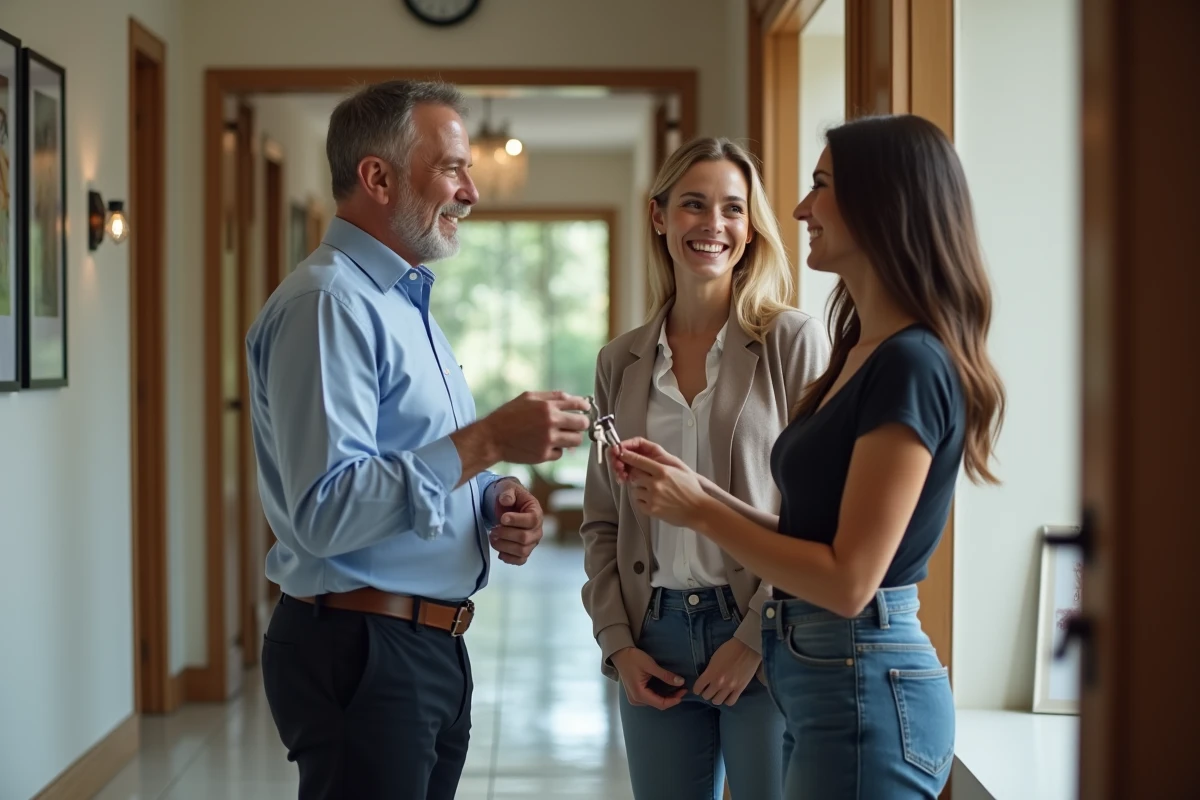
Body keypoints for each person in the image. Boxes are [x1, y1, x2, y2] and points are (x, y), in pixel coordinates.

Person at [612, 115, 1006, 799]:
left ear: (881, 202)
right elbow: (806, 534)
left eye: (821, 185)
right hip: (820, 672)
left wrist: (701, 511)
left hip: (859, 675)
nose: (798, 209)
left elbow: (850, 580)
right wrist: (692, 491)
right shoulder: (860, 351)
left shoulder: (910, 363)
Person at [245, 79, 592, 800]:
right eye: (452, 169)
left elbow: (412, 455)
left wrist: (492, 496)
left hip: (425, 646)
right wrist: (490, 439)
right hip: (364, 648)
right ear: (378, 177)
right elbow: (326, 511)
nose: (471, 192)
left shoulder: (405, 302)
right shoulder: (328, 303)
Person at [581, 137, 831, 800]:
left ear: (750, 228)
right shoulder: (619, 362)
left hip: (765, 634)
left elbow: (817, 516)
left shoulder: (792, 342)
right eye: (693, 204)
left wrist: (754, 637)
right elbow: (603, 521)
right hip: (653, 637)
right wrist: (618, 643)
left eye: (732, 208)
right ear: (659, 215)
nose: (712, 224)